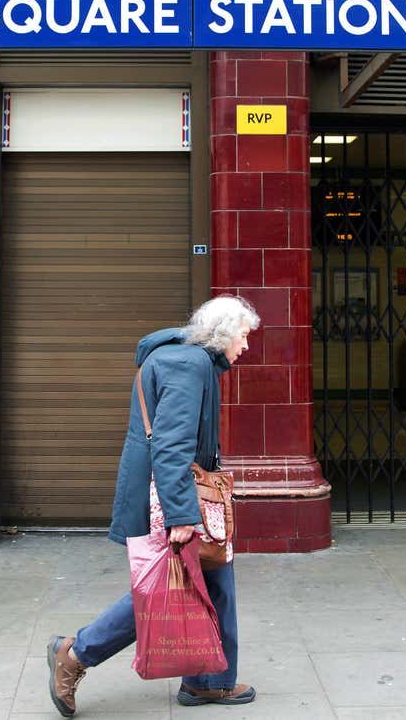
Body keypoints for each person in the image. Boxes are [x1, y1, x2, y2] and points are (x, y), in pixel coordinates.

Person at [47, 295, 261, 717]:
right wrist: (182, 516)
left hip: (177, 492)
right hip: (174, 497)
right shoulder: (190, 365)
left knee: (214, 581)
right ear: (222, 334)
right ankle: (74, 655)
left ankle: (208, 681)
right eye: (243, 335)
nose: (246, 346)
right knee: (162, 589)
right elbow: (171, 444)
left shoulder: (184, 359)